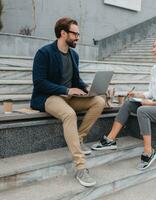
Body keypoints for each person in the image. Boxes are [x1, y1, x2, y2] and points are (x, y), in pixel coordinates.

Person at [30, 17, 105, 187]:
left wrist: (88, 88)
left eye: (78, 34)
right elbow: (39, 82)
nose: (78, 37)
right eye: (75, 34)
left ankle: (79, 138)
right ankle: (80, 167)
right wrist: (66, 90)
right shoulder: (44, 53)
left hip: (69, 97)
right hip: (48, 97)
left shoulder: (74, 55)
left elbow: (76, 80)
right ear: (63, 33)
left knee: (99, 101)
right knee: (69, 114)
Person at [91, 35, 156, 170]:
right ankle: (110, 140)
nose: (153, 49)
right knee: (128, 103)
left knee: (142, 111)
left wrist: (152, 104)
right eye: (153, 46)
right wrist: (137, 95)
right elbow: (151, 92)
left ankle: (149, 151)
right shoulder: (154, 69)